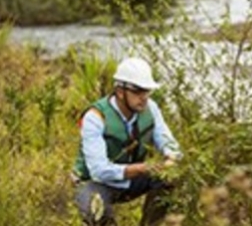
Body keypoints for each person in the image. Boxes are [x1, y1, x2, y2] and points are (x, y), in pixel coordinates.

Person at [72, 57, 182, 226]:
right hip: (95, 183)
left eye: (147, 91)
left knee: (170, 178)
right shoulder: (95, 117)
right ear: (120, 91)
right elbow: (98, 171)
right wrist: (142, 168)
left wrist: (172, 158)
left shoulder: (151, 108)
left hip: (132, 179)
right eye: (138, 91)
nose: (144, 97)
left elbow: (169, 143)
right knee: (94, 208)